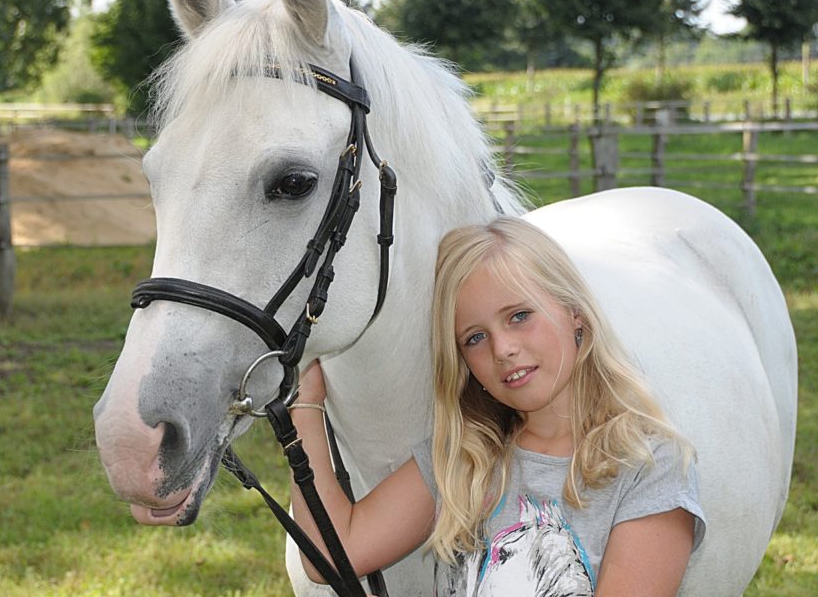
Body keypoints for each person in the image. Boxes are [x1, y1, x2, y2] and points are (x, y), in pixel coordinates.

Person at [288, 217, 706, 596]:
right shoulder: (467, 461)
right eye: (474, 337)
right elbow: (333, 552)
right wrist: (305, 402)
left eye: (520, 315)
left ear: (575, 312)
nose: (503, 349)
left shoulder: (647, 467)